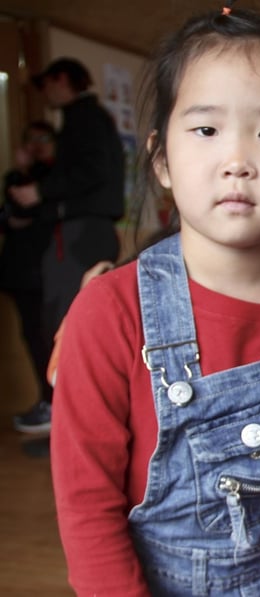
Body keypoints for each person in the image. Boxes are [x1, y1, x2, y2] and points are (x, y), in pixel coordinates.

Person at [49, 7, 260, 595]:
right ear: (162, 158)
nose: (237, 160)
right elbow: (85, 504)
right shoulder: (108, 313)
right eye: (206, 129)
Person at [8, 57, 125, 434]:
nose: (46, 95)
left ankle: (72, 413)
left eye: (46, 86)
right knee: (73, 319)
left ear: (61, 80)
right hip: (87, 231)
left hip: (79, 234)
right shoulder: (93, 119)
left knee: (66, 321)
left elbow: (92, 172)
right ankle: (73, 410)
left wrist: (40, 191)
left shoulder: (83, 118)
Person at [1, 121, 57, 432]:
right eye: (30, 139)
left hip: (45, 271)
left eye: (42, 138)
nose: (36, 144)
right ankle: (46, 400)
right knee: (32, 337)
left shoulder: (53, 178)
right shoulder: (21, 177)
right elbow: (9, 215)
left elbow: (22, 215)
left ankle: (54, 403)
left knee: (46, 336)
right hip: (20, 272)